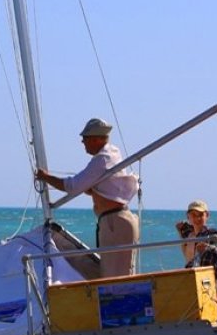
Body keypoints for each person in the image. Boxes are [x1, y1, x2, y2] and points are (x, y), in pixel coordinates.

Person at [35, 118, 139, 278]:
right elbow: (103, 186)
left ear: (97, 139)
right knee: (113, 275)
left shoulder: (102, 160)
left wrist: (46, 177)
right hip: (114, 220)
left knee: (115, 278)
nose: (83, 142)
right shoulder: (112, 153)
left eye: (86, 139)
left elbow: (72, 186)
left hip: (115, 223)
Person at [176, 200, 217, 270]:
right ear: (188, 217)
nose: (197, 218)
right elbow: (183, 228)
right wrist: (179, 230)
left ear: (207, 215)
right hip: (190, 274)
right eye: (193, 215)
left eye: (201, 215)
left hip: (208, 275)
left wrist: (209, 247)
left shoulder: (212, 234)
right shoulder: (188, 234)